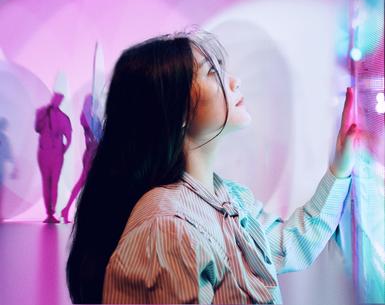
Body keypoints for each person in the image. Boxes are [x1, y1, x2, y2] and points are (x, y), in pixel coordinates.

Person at [65, 28, 361, 304]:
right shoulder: (168, 229)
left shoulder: (227, 197)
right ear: (178, 110)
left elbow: (289, 245)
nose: (234, 81)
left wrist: (339, 167)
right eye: (212, 72)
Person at [60, 94, 101, 223]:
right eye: (92, 101)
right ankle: (68, 210)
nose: (94, 103)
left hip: (95, 153)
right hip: (91, 153)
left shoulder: (93, 117)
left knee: (86, 183)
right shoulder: (85, 116)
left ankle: (69, 210)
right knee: (83, 182)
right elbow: (95, 133)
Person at [35, 92, 72, 223]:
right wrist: (45, 113)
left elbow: (69, 137)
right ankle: (48, 212)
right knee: (46, 182)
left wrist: (62, 151)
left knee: (54, 183)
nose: (57, 100)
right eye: (56, 98)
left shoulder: (63, 117)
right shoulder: (42, 112)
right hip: (44, 152)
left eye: (59, 99)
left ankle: (53, 211)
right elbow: (37, 128)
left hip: (56, 153)